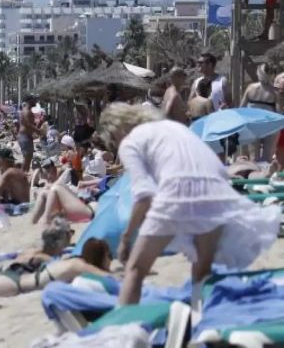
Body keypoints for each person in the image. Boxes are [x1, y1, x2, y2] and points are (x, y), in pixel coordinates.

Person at [97, 103, 279, 308]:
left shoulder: (130, 142)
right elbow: (215, 165)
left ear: (116, 130)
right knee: (202, 271)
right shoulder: (176, 128)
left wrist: (126, 237)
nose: (115, 144)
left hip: (177, 194)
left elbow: (144, 195)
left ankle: (122, 328)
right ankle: (198, 315)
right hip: (215, 193)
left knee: (136, 269)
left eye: (112, 140)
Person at [240, 63, 279, 162]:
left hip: (252, 124)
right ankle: (265, 175)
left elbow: (241, 107)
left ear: (258, 73)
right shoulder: (274, 91)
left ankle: (255, 176)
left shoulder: (250, 88)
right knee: (267, 156)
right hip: (269, 124)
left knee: (253, 157)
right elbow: (278, 112)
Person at [18, 96, 39, 172]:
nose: (36, 102)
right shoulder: (27, 111)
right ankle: (22, 176)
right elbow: (28, 124)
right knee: (27, 158)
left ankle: (24, 175)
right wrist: (39, 131)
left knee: (28, 158)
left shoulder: (25, 110)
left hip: (26, 136)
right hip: (25, 136)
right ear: (29, 101)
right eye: (34, 100)